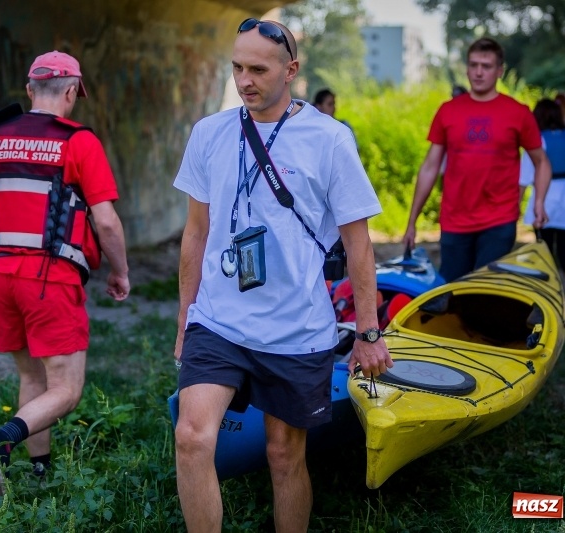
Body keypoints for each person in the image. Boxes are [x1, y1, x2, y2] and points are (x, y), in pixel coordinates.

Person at [172, 19, 392, 532]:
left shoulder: (329, 139)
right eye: (237, 68)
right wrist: (186, 319)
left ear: (290, 70)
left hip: (295, 329)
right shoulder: (209, 133)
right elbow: (195, 234)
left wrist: (368, 331)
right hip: (219, 320)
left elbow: (358, 244)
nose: (244, 80)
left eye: (257, 69)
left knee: (283, 455)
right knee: (192, 437)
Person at [0, 50, 130, 507]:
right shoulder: (79, 142)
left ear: (28, 90)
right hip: (49, 279)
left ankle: (38, 471)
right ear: (70, 92)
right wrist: (119, 271)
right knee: (67, 387)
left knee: (32, 374)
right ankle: (3, 442)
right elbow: (106, 222)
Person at [402, 37, 551, 282]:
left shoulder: (518, 112)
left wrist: (539, 201)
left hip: (499, 219)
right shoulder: (448, 111)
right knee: (452, 290)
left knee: (485, 291)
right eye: (473, 65)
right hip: (454, 220)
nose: (479, 72)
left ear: (499, 71)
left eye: (486, 66)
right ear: (467, 68)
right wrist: (412, 221)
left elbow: (541, 161)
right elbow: (430, 167)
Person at [520, 98, 565, 310]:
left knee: (545, 247)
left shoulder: (537, 142)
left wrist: (517, 203)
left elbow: (524, 178)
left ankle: (548, 292)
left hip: (546, 197)